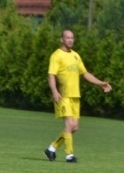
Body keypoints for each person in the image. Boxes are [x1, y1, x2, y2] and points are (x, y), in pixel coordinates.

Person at [43, 29, 112, 163]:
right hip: (63, 96)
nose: (70, 40)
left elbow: (85, 73)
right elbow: (51, 75)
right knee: (69, 125)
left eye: (72, 38)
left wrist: (100, 83)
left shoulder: (76, 56)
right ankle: (69, 155)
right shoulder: (56, 55)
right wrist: (54, 91)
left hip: (75, 96)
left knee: (74, 127)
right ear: (61, 39)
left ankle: (51, 148)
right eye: (67, 38)